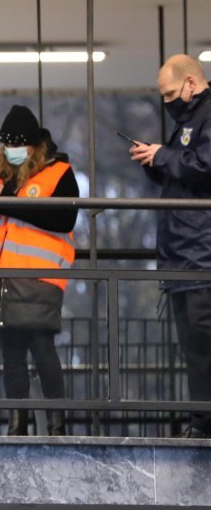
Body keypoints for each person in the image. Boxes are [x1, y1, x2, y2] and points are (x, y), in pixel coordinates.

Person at [0, 105, 78, 436]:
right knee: (10, 352)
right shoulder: (2, 178)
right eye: (7, 146)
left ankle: (57, 425)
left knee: (42, 348)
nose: (12, 152)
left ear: (35, 146)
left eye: (19, 146)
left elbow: (63, 219)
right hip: (1, 277)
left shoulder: (59, 173)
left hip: (39, 277)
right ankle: (17, 425)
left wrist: (8, 198)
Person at [130, 54, 211, 439]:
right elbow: (186, 173)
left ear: (192, 83)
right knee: (194, 347)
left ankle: (204, 422)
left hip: (202, 252)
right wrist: (155, 162)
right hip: (186, 252)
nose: (167, 103)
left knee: (202, 343)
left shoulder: (208, 116)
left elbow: (205, 167)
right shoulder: (189, 122)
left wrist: (164, 155)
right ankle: (202, 420)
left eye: (170, 94)